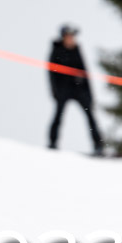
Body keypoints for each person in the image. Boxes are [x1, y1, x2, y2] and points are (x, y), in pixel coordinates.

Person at [48, 24, 104, 155]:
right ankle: (52, 143)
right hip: (63, 90)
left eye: (73, 36)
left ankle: (98, 145)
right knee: (58, 116)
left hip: (79, 90)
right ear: (63, 37)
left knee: (90, 116)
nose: (71, 39)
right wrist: (55, 92)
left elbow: (84, 72)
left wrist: (89, 94)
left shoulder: (77, 50)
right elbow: (51, 73)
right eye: (69, 36)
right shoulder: (56, 50)